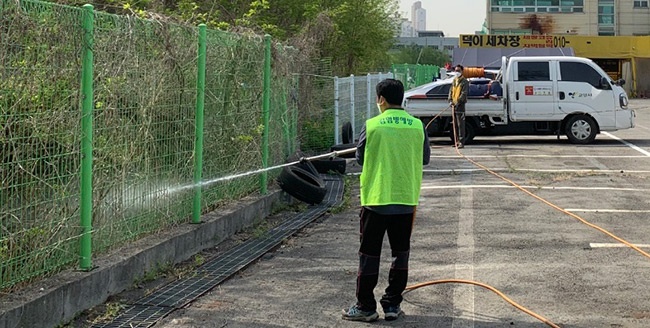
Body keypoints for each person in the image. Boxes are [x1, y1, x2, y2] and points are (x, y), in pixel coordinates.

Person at [342, 79, 430, 322]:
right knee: (400, 254)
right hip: (405, 199)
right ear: (401, 98)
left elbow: (360, 157)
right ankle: (392, 305)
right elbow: (425, 159)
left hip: (376, 200)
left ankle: (365, 306)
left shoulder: (371, 125)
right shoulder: (417, 126)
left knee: (369, 255)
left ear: (381, 99)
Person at [448, 64, 469, 148]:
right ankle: (456, 141)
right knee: (454, 124)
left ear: (462, 71)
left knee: (461, 125)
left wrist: (458, 101)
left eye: (458, 71)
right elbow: (451, 91)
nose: (457, 72)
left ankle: (461, 142)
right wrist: (450, 100)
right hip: (453, 105)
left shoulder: (464, 82)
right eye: (456, 71)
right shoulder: (454, 80)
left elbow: (464, 93)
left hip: (460, 106)